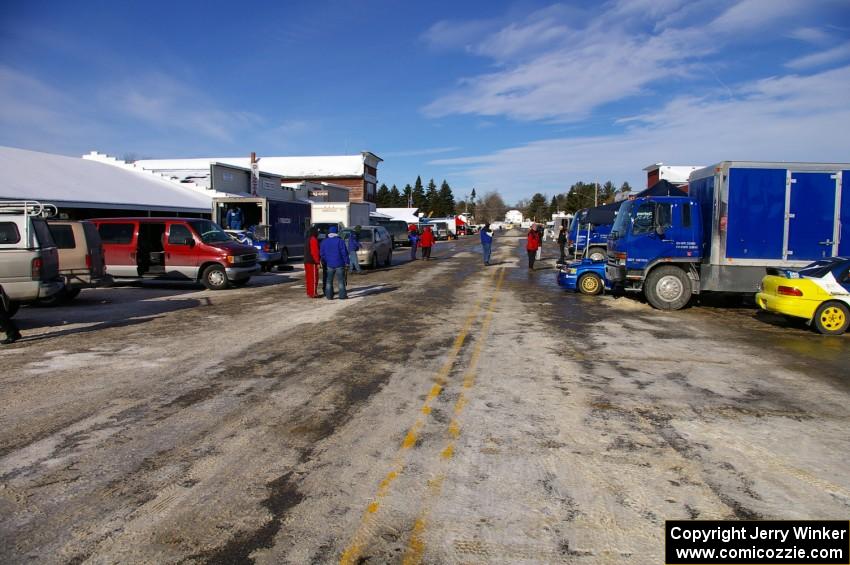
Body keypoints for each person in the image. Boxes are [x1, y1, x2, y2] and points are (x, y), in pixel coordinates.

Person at [320, 226, 349, 300]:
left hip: (329, 264)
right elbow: (344, 253)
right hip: (339, 263)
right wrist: (347, 262)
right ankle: (342, 296)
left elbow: (322, 254)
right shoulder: (340, 241)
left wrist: (327, 260)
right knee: (341, 281)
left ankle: (329, 296)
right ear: (337, 232)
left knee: (329, 281)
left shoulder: (324, 241)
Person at [303, 227, 320, 298]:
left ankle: (309, 292)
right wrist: (318, 262)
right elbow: (315, 252)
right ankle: (313, 293)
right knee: (314, 278)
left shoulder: (307, 239)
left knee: (309, 278)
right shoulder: (313, 239)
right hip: (312, 261)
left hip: (306, 261)